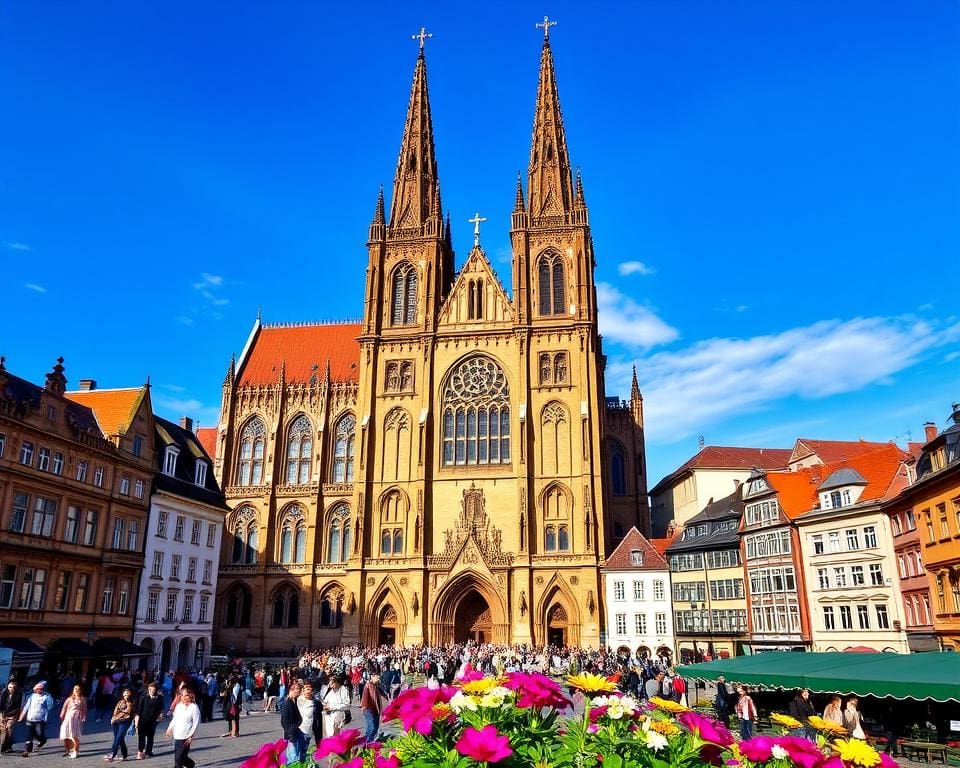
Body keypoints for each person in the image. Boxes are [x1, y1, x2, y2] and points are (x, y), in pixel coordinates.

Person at [165, 688, 200, 768]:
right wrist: (169, 728)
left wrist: (191, 735)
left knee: (178, 758)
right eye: (183, 695)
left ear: (190, 696)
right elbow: (175, 719)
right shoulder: (178, 706)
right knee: (181, 757)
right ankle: (191, 765)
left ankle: (188, 765)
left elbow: (196, 723)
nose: (185, 697)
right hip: (177, 734)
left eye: (186, 695)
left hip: (186, 736)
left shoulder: (194, 707)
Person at [19, 681, 55, 756]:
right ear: (35, 690)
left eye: (41, 689)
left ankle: (42, 742)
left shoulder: (46, 697)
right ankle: (27, 751)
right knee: (30, 734)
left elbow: (49, 707)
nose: (39, 690)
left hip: (40, 720)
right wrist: (21, 717)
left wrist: (49, 696)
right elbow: (26, 707)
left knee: (40, 734)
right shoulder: (31, 696)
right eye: (38, 689)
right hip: (30, 719)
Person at [104, 688, 136, 762]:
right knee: (119, 738)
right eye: (125, 694)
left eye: (128, 694)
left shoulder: (131, 703)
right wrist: (113, 719)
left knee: (118, 737)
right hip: (116, 722)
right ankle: (124, 755)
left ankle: (113, 754)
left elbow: (128, 711)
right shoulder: (120, 702)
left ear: (130, 695)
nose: (126, 695)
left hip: (125, 721)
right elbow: (115, 711)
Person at [136, 681, 164, 759]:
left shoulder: (159, 697)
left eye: (154, 689)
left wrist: (160, 715)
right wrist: (136, 719)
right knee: (141, 736)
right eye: (151, 689)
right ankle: (140, 751)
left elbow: (161, 708)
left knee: (150, 737)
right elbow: (139, 709)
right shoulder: (144, 697)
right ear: (148, 689)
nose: (152, 691)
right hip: (142, 720)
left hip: (152, 720)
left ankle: (148, 751)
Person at [59, 685, 87, 759]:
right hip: (68, 718)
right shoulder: (69, 699)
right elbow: (64, 707)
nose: (77, 690)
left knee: (73, 736)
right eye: (75, 689)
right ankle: (68, 750)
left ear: (80, 690)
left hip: (76, 718)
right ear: (73, 690)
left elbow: (84, 709)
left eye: (78, 689)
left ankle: (75, 751)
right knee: (65, 735)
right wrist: (62, 715)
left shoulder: (82, 699)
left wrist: (83, 717)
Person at [280, 682, 304, 763]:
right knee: (293, 758)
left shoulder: (294, 701)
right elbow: (284, 721)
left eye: (300, 689)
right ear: (291, 690)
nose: (299, 691)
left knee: (295, 756)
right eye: (297, 689)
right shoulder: (288, 703)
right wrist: (290, 732)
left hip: (294, 732)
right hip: (291, 734)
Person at [359, 671, 384, 744]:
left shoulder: (375, 685)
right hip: (368, 709)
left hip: (374, 709)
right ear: (372, 677)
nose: (378, 679)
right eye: (377, 678)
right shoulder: (369, 685)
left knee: (374, 727)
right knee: (372, 727)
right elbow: (371, 698)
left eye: (379, 678)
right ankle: (368, 743)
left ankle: (366, 743)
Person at [0, 679, 23, 755]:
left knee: (9, 730)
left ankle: (8, 746)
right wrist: (2, 715)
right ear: (7, 687)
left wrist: (17, 716)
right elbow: (1, 704)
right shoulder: (3, 693)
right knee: (4, 731)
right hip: (3, 714)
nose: (11, 689)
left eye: (13, 687)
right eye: (10, 687)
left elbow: (18, 706)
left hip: (12, 715)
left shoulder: (18, 694)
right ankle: (3, 748)